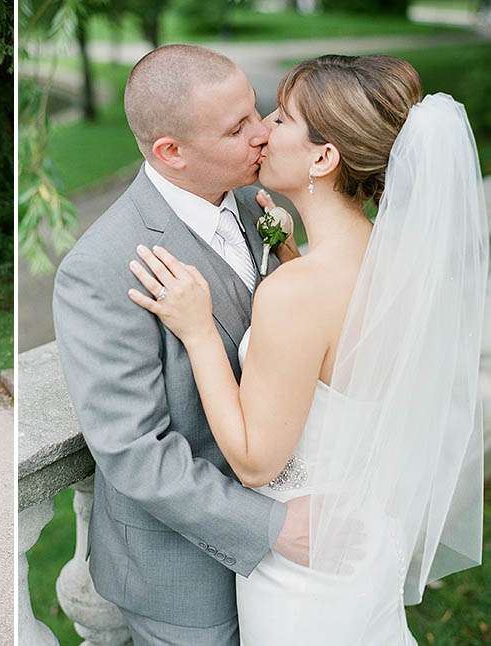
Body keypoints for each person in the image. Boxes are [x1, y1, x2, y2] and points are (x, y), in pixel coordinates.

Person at [129, 55, 486, 643]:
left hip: (303, 573)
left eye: (283, 116)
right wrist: (291, 256)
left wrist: (197, 332)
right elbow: (349, 363)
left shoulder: (297, 296)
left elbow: (254, 460)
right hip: (372, 545)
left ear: (323, 156)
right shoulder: (409, 271)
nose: (264, 128)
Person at [53, 44, 309, 645]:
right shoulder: (103, 266)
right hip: (184, 576)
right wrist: (272, 526)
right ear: (171, 152)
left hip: (288, 524)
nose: (263, 133)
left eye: (258, 111)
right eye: (238, 126)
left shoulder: (254, 201)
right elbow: (132, 449)